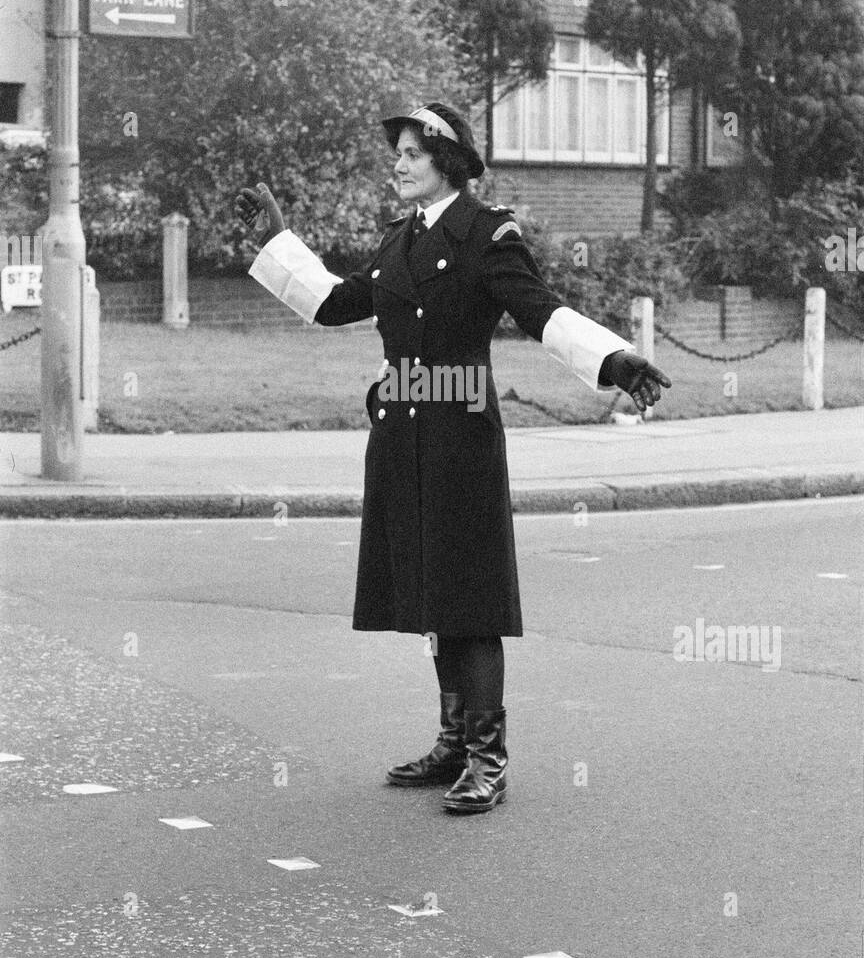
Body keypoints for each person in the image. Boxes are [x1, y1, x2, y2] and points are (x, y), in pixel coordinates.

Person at [235, 101, 670, 815]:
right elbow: (337, 303)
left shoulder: (486, 235)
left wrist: (614, 359)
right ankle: (453, 742)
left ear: (447, 161)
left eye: (413, 153)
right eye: (398, 153)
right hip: (402, 437)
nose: (399, 164)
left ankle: (488, 760)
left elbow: (540, 311)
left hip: (461, 437)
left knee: (472, 600)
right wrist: (278, 241)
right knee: (433, 593)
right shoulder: (399, 238)